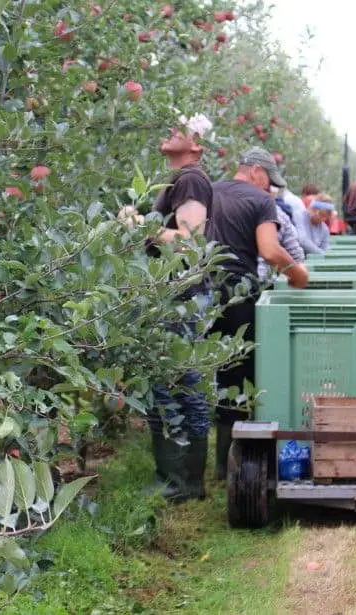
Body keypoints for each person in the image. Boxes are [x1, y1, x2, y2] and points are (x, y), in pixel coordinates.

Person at [208, 146, 309, 479]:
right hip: (238, 296)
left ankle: (219, 465)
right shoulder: (260, 200)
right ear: (256, 172)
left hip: (202, 294)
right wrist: (298, 274)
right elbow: (268, 249)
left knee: (220, 373)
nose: (270, 189)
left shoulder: (209, 191)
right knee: (245, 374)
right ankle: (240, 463)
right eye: (269, 181)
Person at [141, 113, 215, 502]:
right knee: (181, 382)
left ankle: (177, 483)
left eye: (181, 127)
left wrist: (138, 227)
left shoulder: (189, 179)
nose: (170, 128)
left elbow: (188, 241)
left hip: (181, 298)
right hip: (179, 295)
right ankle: (184, 482)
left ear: (197, 144)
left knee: (174, 384)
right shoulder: (183, 179)